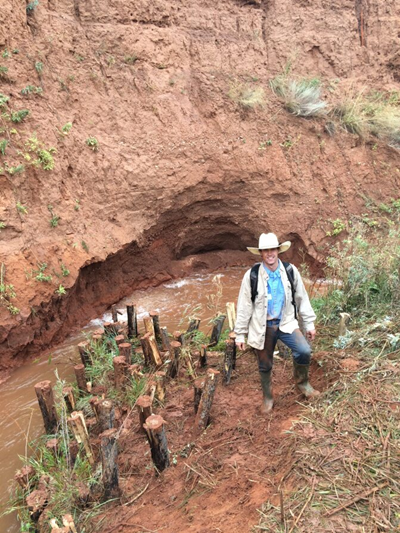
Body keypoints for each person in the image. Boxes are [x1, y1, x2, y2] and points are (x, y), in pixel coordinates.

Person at [234, 232, 320, 414]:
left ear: (278, 250)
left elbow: (302, 297)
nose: (269, 254)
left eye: (272, 249)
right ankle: (268, 397)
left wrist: (309, 323)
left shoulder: (290, 271)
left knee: (304, 350)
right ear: (261, 253)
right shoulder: (252, 275)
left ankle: (303, 384)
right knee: (264, 364)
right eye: (265, 251)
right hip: (263, 327)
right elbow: (244, 306)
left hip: (286, 322)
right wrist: (240, 333)